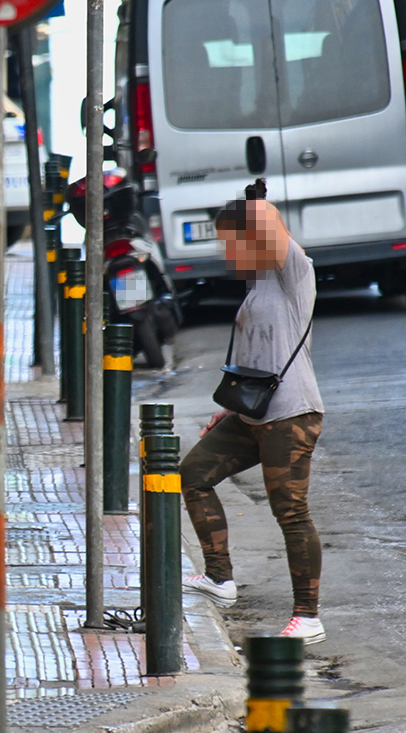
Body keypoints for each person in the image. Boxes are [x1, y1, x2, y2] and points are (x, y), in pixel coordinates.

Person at [179, 178, 327, 644]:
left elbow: (272, 228)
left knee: (291, 512)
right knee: (193, 474)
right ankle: (219, 578)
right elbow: (254, 356)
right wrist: (231, 409)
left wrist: (254, 203)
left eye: (231, 241)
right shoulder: (258, 284)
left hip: (291, 417)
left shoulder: (293, 274)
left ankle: (308, 616)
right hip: (252, 414)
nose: (226, 252)